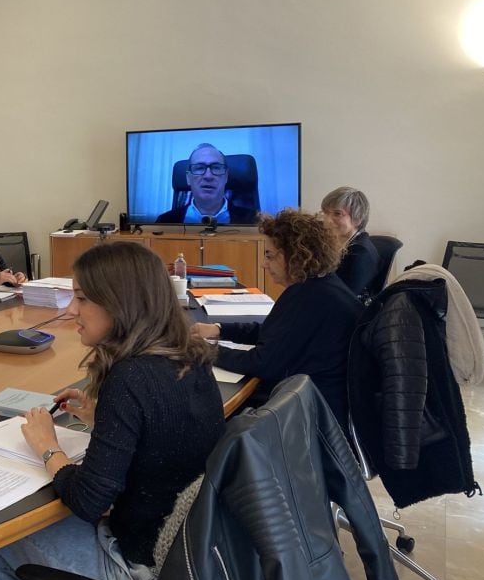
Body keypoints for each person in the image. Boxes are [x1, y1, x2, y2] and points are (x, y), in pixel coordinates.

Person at [0, 242, 226, 580]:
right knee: (7, 548)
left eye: (82, 298)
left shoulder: (129, 378)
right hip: (189, 567)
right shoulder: (190, 357)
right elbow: (172, 430)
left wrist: (49, 447)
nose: (71, 311)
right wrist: (104, 418)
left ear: (120, 303)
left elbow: (88, 500)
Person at [192, 209, 362, 428]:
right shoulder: (320, 287)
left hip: (313, 417)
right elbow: (273, 332)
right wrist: (218, 330)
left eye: (270, 255)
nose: (264, 264)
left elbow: (262, 363)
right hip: (317, 401)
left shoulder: (309, 297)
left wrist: (204, 350)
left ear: (296, 255)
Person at [155, 143, 257, 224]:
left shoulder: (255, 222)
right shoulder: (164, 222)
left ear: (226, 176)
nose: (208, 176)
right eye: (199, 168)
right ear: (188, 178)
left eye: (216, 167)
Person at [321, 186, 379, 299]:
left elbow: (341, 298)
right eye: (326, 213)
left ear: (357, 218)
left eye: (337, 214)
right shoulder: (340, 243)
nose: (327, 220)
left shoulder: (360, 253)